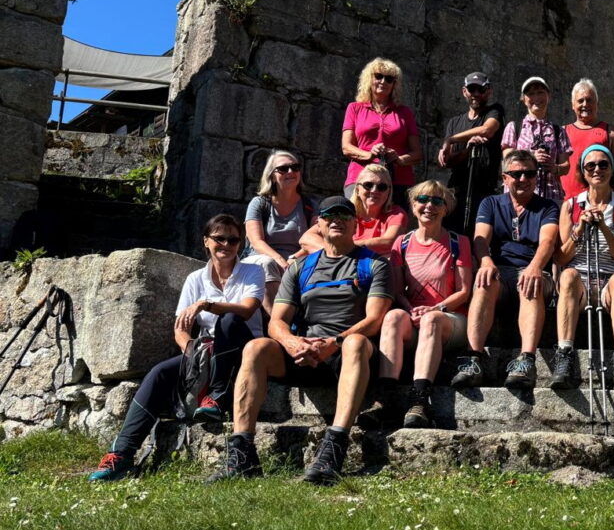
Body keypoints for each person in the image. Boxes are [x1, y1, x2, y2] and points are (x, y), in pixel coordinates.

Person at [208, 196, 392, 485]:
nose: (337, 220)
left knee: (356, 342)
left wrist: (334, 342)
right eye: (329, 215)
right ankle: (242, 454)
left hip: (345, 352)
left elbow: (375, 319)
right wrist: (293, 343)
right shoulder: (302, 267)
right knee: (256, 347)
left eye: (345, 215)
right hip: (303, 351)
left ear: (356, 223)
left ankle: (333, 450)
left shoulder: (374, 264)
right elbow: (277, 321)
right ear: (318, 224)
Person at [90, 215, 264, 481]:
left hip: (244, 350)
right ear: (206, 241)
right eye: (220, 238)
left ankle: (216, 397)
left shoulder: (252, 271)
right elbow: (180, 328)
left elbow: (247, 309)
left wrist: (206, 305)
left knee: (229, 321)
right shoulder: (195, 279)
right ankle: (121, 454)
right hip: (207, 352)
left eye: (233, 239)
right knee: (159, 372)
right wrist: (190, 353)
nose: (226, 244)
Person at [451, 150, 559, 389]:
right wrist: (486, 261)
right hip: (500, 270)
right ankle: (473, 358)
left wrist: (534, 267)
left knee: (531, 282)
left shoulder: (548, 206)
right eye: (516, 173)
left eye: (530, 173)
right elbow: (480, 238)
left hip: (533, 268)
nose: (523, 178)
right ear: (505, 178)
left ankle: (526, 361)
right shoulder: (490, 203)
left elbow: (547, 242)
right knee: (484, 281)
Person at [375, 181, 473, 428]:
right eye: (423, 200)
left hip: (450, 319)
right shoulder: (402, 243)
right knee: (393, 317)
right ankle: (385, 398)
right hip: (414, 316)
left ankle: (420, 399)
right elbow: (397, 291)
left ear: (445, 208)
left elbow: (464, 290)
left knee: (431, 320)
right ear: (413, 205)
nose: (429, 206)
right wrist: (409, 309)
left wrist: (435, 309)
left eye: (437, 201)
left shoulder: (457, 242)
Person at [550, 145, 614, 392]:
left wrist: (606, 229)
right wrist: (579, 229)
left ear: (612, 169)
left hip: (610, 280)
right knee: (567, 275)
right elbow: (561, 257)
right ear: (583, 172)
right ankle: (565, 354)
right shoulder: (570, 206)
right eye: (591, 166)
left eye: (603, 164)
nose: (597, 169)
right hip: (579, 282)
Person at [342, 57, 422, 212]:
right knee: (356, 224)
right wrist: (369, 154)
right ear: (369, 79)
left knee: (395, 226)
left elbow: (417, 153)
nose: (383, 81)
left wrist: (398, 159)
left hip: (398, 179)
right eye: (378, 76)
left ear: (394, 85)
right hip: (360, 177)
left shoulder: (405, 113)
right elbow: (346, 147)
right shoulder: (355, 108)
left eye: (389, 79)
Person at [243, 150, 317, 314]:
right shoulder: (259, 203)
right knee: (267, 264)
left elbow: (314, 239)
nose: (291, 172)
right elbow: (256, 241)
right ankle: (277, 321)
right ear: (272, 176)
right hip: (262, 259)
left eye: (295, 167)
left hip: (297, 259)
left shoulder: (309, 205)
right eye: (283, 169)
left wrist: (293, 259)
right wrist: (279, 260)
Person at [439, 72, 505, 234]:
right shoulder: (455, 122)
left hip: (485, 190)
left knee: (479, 239)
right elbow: (448, 162)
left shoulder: (494, 111)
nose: (476, 94)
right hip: (458, 190)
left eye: (480, 90)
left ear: (488, 91)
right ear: (464, 91)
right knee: (452, 235)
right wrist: (468, 149)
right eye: (472, 89)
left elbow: (487, 130)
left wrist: (451, 140)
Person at [298, 164, 406, 255]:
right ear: (358, 189)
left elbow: (389, 242)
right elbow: (307, 238)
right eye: (368, 185)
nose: (374, 190)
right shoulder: (344, 211)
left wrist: (340, 248)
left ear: (389, 191)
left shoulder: (396, 214)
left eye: (382, 187)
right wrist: (333, 253)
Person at [501, 76, 572, 202]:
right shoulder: (514, 127)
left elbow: (566, 166)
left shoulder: (558, 131)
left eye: (540, 92)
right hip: (520, 195)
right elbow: (508, 158)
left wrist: (554, 168)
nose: (536, 98)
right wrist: (532, 157)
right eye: (531, 94)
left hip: (551, 195)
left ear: (548, 96)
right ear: (523, 99)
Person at [560, 79, 614, 199]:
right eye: (580, 101)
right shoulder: (563, 132)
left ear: (597, 103)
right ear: (573, 105)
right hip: (567, 200)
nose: (585, 104)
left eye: (589, 100)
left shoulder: (609, 132)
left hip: (599, 200)